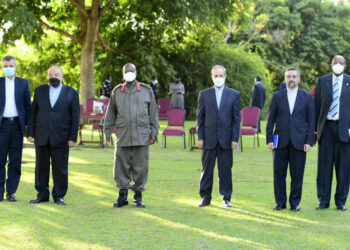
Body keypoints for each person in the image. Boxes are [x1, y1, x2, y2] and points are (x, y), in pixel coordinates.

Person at [104, 63, 159, 208]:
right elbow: (110, 114)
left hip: (141, 135)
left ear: (136, 72)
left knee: (141, 166)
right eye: (127, 71)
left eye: (132, 70)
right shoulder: (117, 91)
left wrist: (154, 132)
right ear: (123, 74)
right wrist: (107, 132)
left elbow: (153, 113)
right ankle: (122, 196)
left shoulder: (146, 90)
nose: (129, 73)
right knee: (121, 166)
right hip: (123, 135)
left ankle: (138, 196)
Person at [27, 66, 80, 205]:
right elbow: (32, 114)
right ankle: (42, 194)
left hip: (61, 136)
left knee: (60, 168)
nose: (53, 77)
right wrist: (30, 133)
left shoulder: (72, 92)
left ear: (62, 76)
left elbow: (75, 117)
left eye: (56, 74)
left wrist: (72, 137)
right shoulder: (39, 91)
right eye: (51, 74)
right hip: (41, 135)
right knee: (40, 167)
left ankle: (59, 195)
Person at [266, 68, 315, 212]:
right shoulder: (277, 96)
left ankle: (295, 203)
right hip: (279, 141)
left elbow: (311, 122)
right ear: (285, 79)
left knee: (297, 174)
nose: (291, 79)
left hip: (299, 141)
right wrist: (269, 139)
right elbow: (270, 120)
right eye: (288, 77)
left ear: (298, 79)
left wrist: (309, 141)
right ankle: (280, 203)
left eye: (294, 76)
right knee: (279, 173)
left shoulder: (307, 97)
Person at [196, 65, 240, 207]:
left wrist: (234, 139)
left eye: (221, 76)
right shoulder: (204, 94)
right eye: (216, 76)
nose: (218, 78)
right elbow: (200, 118)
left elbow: (236, 120)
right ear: (212, 77)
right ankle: (205, 197)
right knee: (207, 170)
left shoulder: (234, 95)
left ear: (225, 77)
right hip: (209, 138)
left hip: (226, 140)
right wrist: (200, 137)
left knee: (226, 170)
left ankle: (226, 197)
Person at [314, 55, 350, 211]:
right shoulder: (322, 81)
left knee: (343, 168)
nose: (338, 65)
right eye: (335, 63)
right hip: (326, 128)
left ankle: (340, 200)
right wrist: (315, 131)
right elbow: (316, 107)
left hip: (345, 130)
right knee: (324, 166)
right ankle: (323, 200)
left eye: (341, 63)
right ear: (331, 65)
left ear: (345, 65)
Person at [0, 55, 31, 202]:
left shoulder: (23, 83)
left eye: (10, 66)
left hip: (17, 126)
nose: (8, 68)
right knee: (0, 160)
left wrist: (28, 128)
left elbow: (28, 107)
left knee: (15, 161)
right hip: (2, 126)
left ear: (16, 67)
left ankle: (11, 192)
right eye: (5, 66)